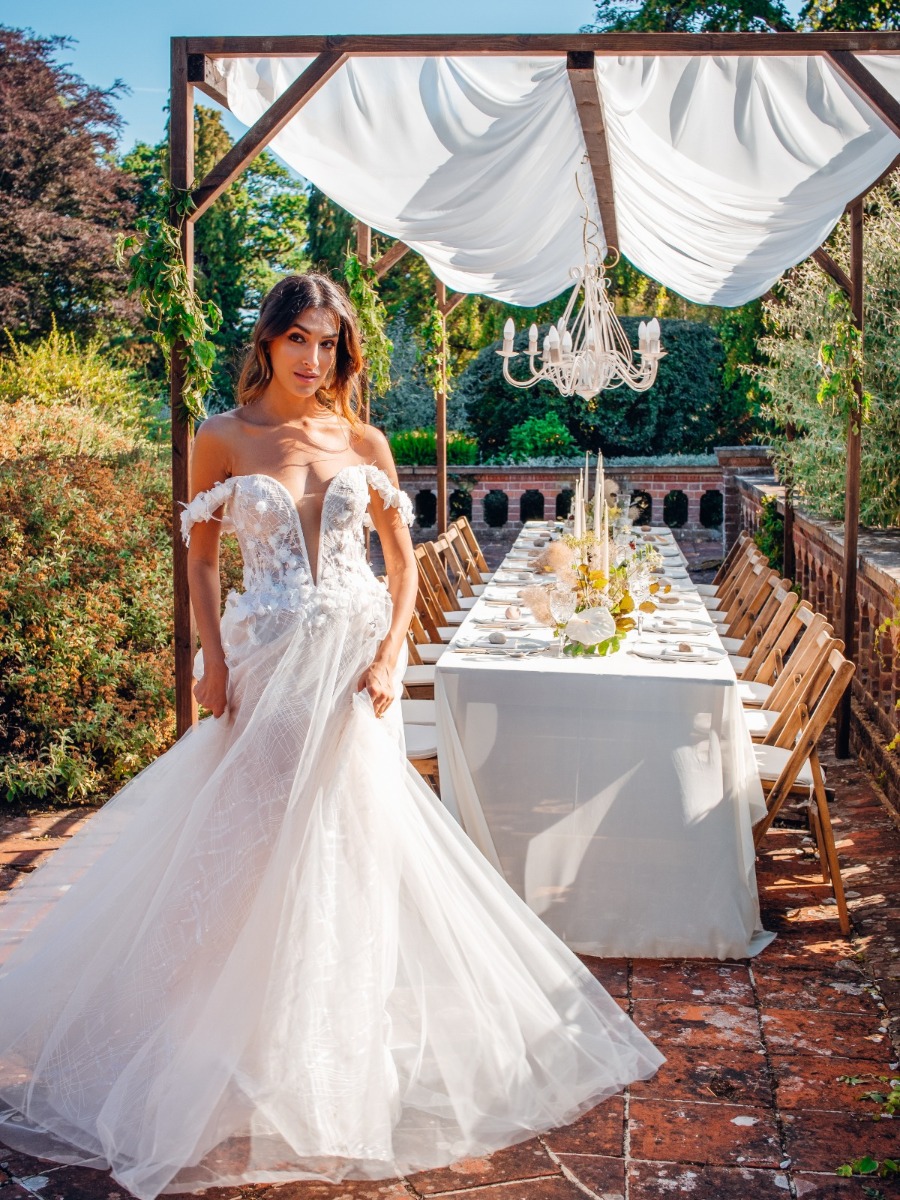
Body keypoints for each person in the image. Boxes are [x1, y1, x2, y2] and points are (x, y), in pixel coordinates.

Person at [0, 274, 662, 1200]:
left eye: (329, 346)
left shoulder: (363, 439)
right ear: (267, 341)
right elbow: (196, 561)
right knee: (246, 852)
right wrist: (210, 663)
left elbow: (401, 566)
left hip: (352, 679)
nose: (315, 361)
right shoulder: (221, 438)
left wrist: (393, 657)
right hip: (264, 668)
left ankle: (323, 1051)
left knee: (343, 853)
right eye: (299, 341)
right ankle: (202, 1036)